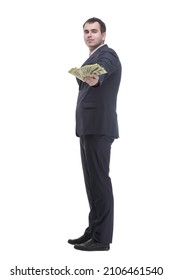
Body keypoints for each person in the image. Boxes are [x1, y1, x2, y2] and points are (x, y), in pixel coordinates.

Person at [68, 17, 122, 251]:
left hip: (99, 128)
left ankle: (102, 239)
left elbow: (104, 71)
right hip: (88, 129)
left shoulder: (107, 55)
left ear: (104, 35)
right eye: (86, 31)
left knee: (99, 181)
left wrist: (96, 78)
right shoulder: (91, 58)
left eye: (94, 31)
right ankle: (94, 229)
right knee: (92, 183)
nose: (89, 35)